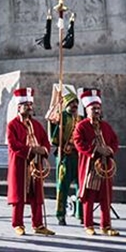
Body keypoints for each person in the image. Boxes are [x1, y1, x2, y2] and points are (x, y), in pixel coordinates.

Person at [6, 87, 54, 236]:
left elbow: (46, 141)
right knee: (19, 195)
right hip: (20, 163)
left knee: (37, 195)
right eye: (25, 105)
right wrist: (32, 150)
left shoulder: (37, 125)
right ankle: (18, 224)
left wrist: (43, 150)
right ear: (19, 107)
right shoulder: (12, 125)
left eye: (30, 105)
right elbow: (13, 144)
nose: (29, 108)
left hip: (36, 163)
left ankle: (38, 224)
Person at [73, 88, 120, 236]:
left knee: (106, 197)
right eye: (94, 108)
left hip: (105, 167)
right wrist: (95, 150)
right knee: (90, 197)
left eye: (98, 108)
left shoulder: (106, 126)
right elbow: (78, 142)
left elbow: (114, 141)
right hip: (90, 167)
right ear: (87, 110)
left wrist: (110, 150)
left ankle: (106, 225)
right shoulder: (81, 126)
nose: (97, 111)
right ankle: (88, 225)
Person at [49, 87, 80, 225]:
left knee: (81, 186)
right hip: (65, 156)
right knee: (63, 186)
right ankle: (60, 215)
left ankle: (81, 214)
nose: (74, 105)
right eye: (71, 103)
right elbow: (53, 138)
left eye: (76, 103)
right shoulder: (61, 117)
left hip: (79, 156)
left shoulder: (81, 118)